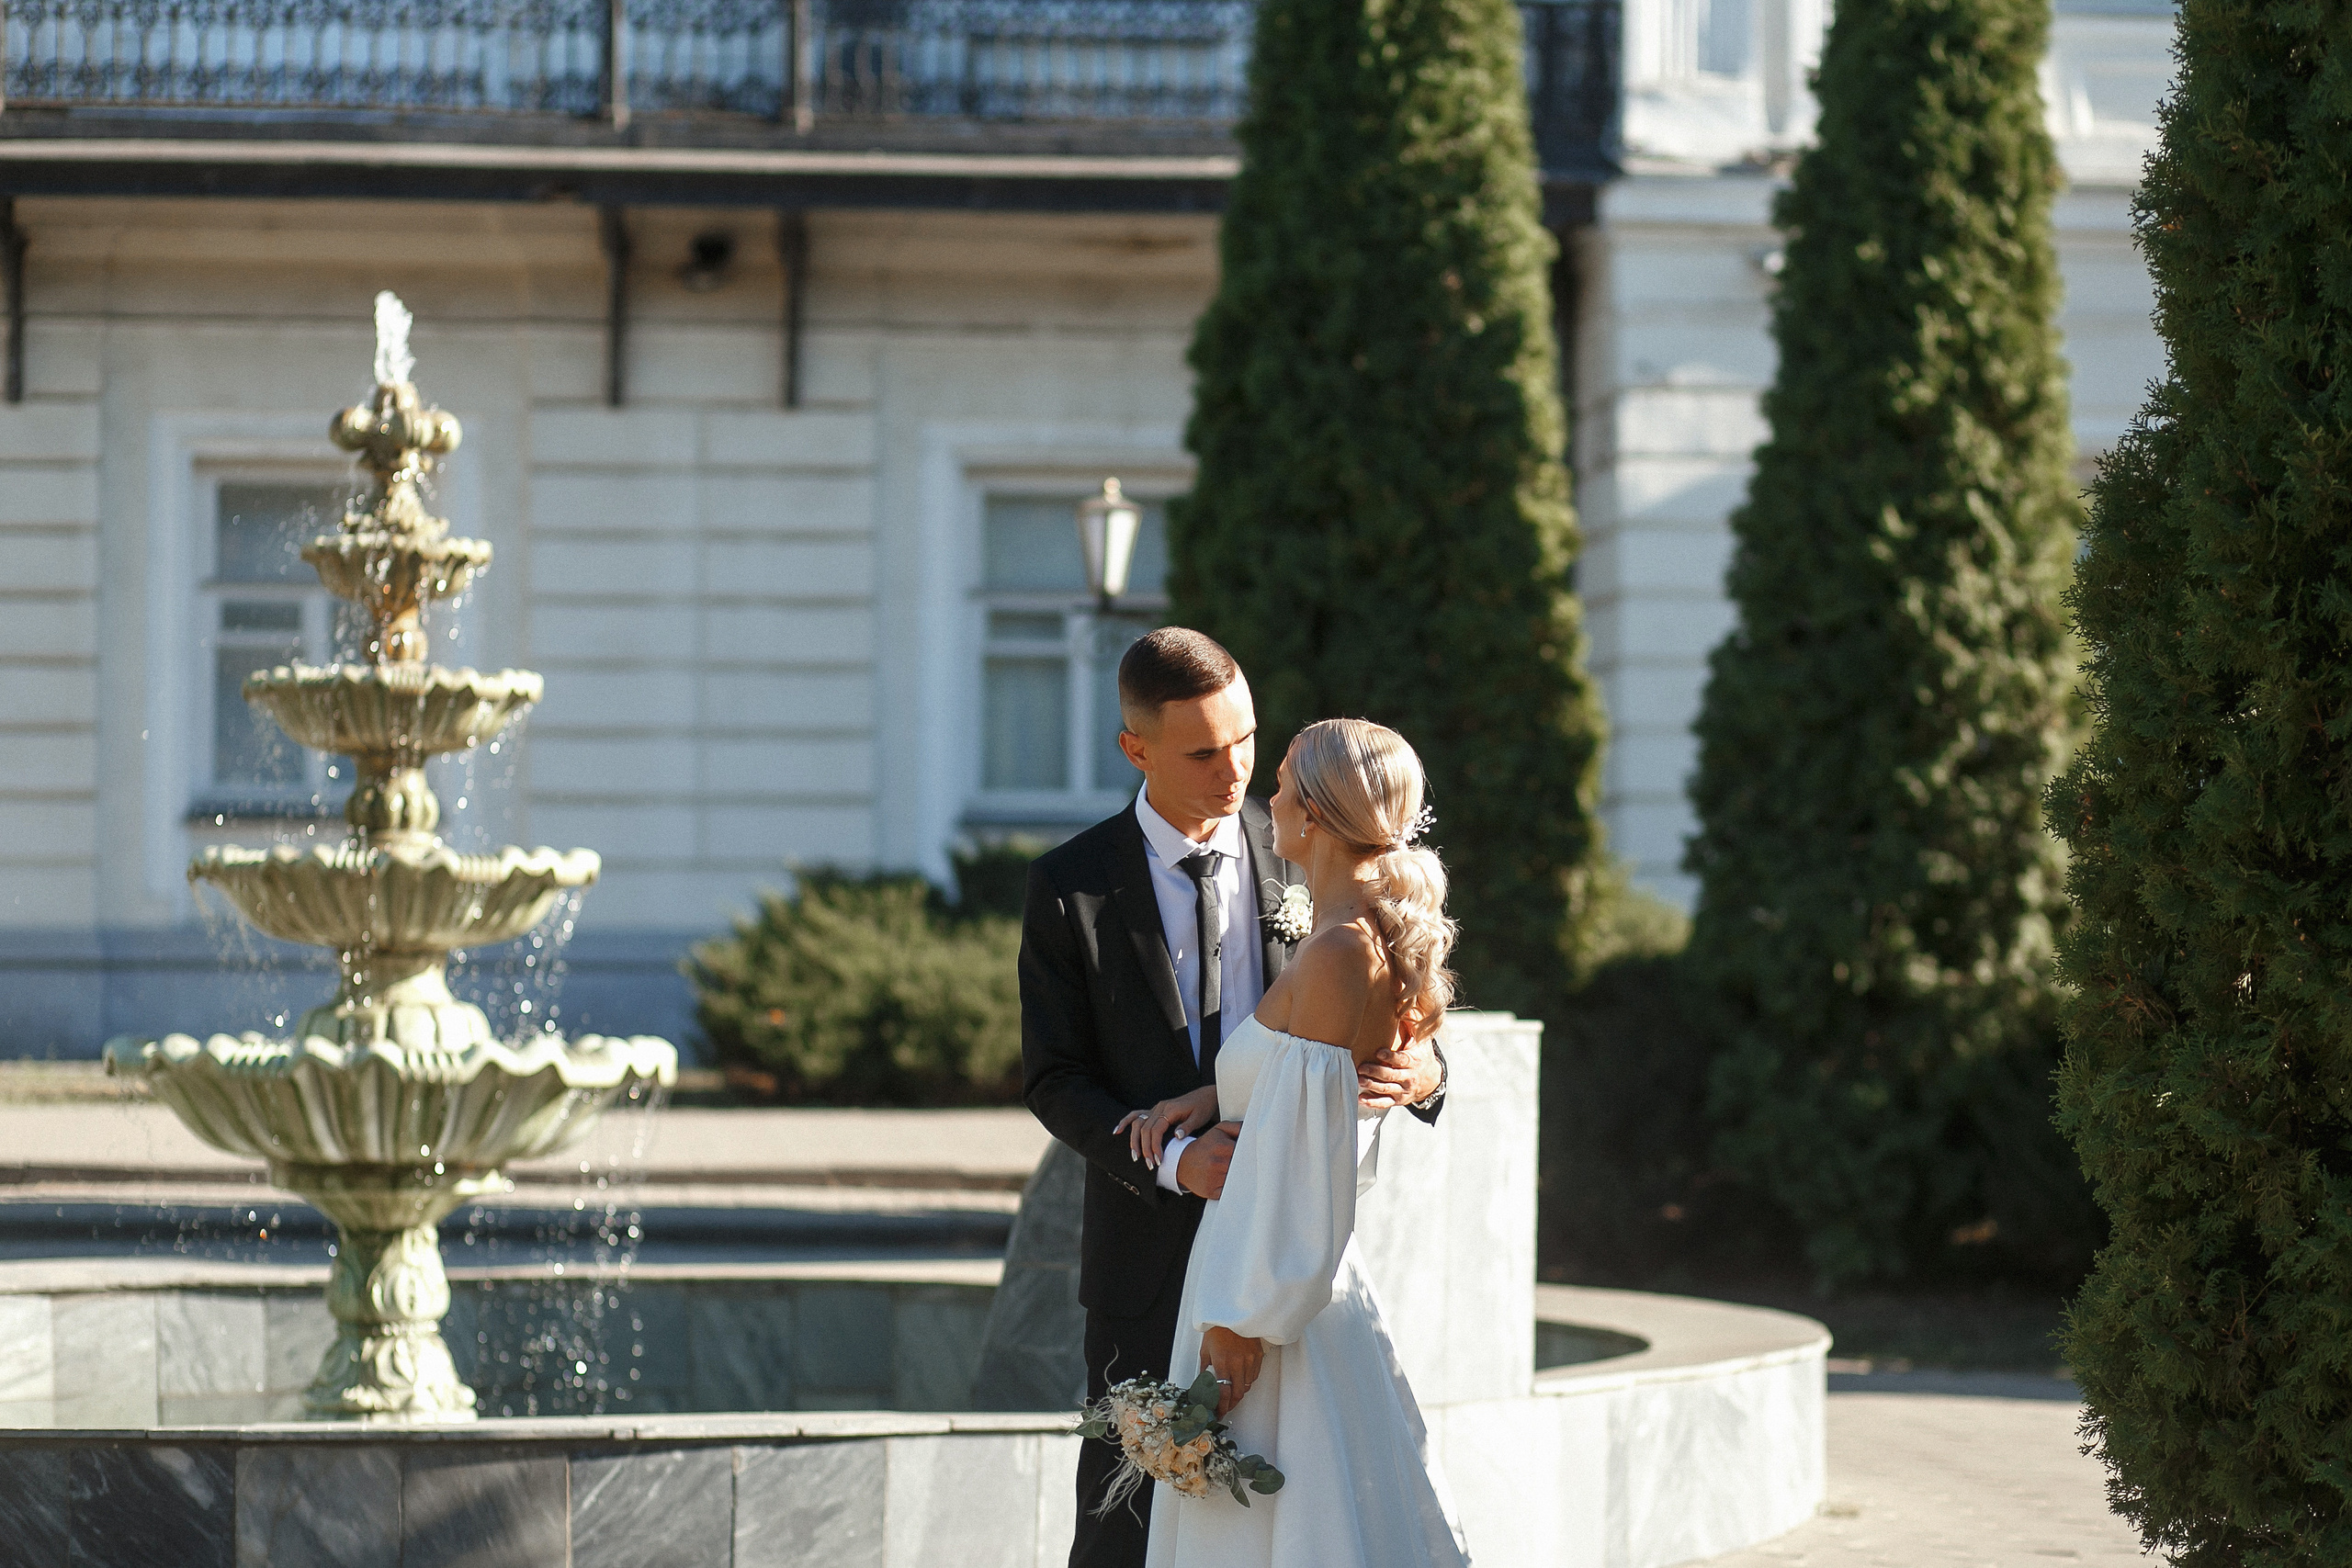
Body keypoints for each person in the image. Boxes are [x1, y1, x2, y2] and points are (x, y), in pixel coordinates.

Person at [1020, 629, 1448, 1568]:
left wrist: (1423, 1072)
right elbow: (1052, 1078)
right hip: (1144, 1263)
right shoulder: (1069, 887)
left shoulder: (1309, 841)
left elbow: (1391, 1011)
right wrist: (1177, 1158)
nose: (1236, 770)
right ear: (1136, 749)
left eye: (1247, 739)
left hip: (1287, 1266)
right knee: (1122, 1529)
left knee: (1277, 1525)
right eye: (1204, 752)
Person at [1136, 716, 1472, 1568]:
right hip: (1277, 1267)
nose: (1270, 795)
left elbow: (1302, 1158)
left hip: (1266, 1285)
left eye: (1283, 780)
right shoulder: (1358, 936)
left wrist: (1241, 1321)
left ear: (1314, 812)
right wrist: (1218, 1094)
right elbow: (1305, 1098)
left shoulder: (1336, 952)